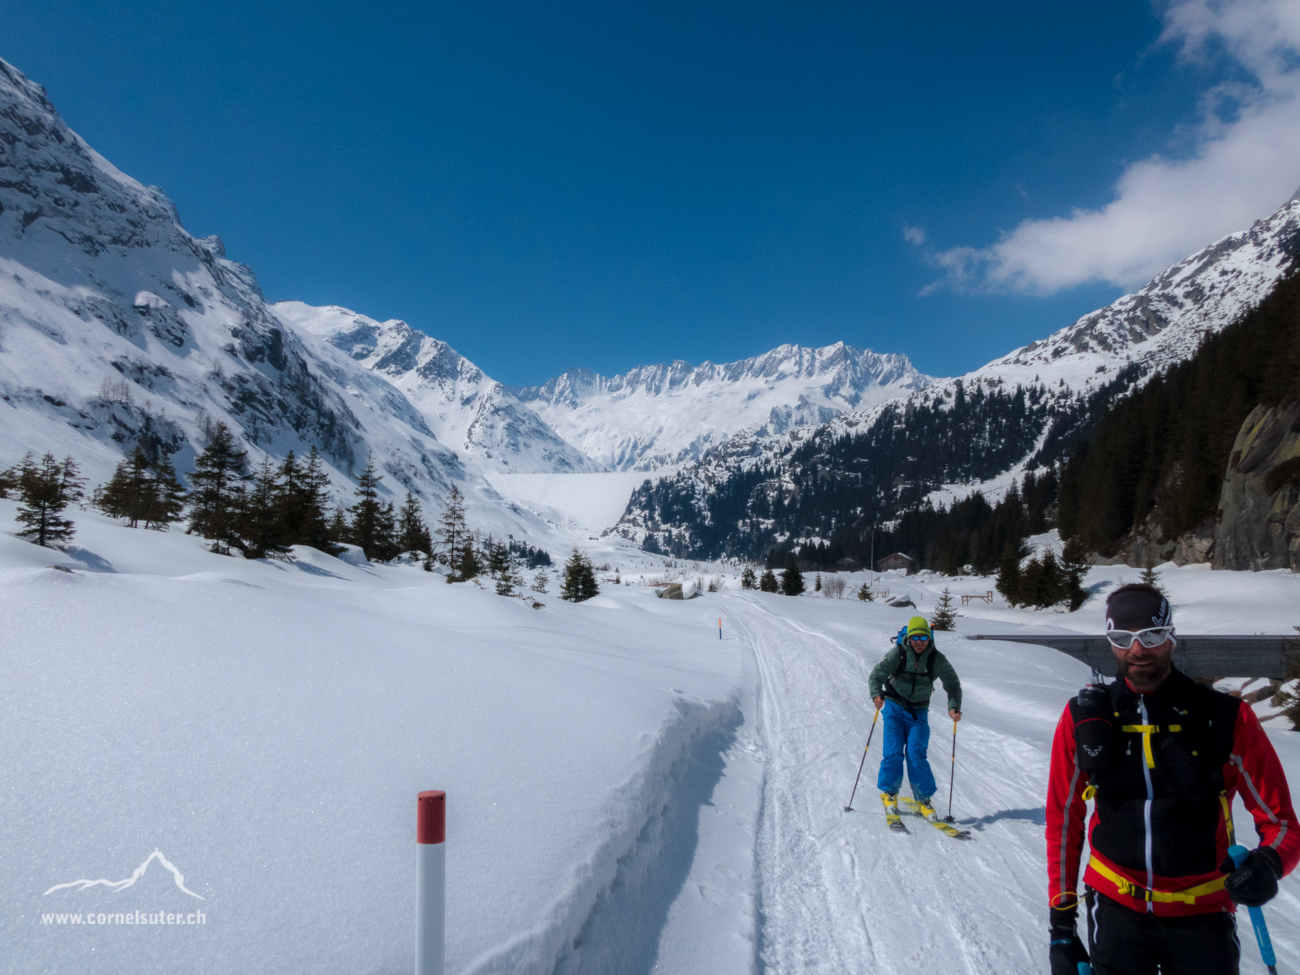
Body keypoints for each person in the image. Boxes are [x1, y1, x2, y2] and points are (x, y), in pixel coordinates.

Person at [1045, 583, 1298, 975]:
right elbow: (1064, 817)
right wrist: (1061, 924)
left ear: (1171, 637)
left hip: (1203, 915)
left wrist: (1268, 864)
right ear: (1109, 642)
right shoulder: (1087, 718)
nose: (1138, 650)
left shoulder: (1225, 718)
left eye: (1152, 635)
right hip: (1115, 912)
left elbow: (1282, 825)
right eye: (1122, 638)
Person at [869, 615, 962, 817]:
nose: (919, 643)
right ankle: (889, 793)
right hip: (894, 707)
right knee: (893, 751)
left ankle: (923, 799)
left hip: (919, 711)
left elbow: (953, 684)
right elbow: (876, 674)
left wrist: (953, 706)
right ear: (909, 638)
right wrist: (876, 694)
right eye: (915, 638)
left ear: (929, 638)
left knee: (916, 754)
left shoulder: (937, 659)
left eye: (923, 638)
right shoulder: (898, 654)